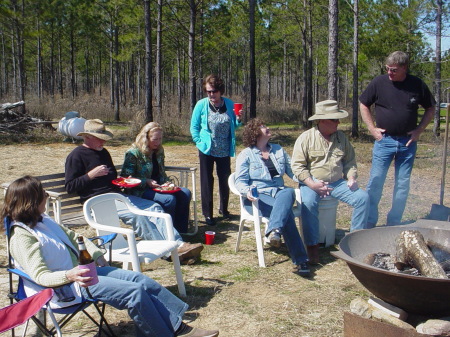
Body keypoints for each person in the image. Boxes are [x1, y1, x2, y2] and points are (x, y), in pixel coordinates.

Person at [1, 175, 219, 337]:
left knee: (138, 279)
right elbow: (40, 277)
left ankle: (176, 325)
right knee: (134, 293)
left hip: (82, 273)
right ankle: (165, 332)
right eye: (44, 195)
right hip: (64, 288)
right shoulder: (21, 237)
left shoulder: (42, 219)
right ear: (31, 201)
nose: (46, 198)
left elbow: (75, 236)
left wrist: (95, 253)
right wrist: (70, 275)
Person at [65, 119, 202, 264]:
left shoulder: (103, 152)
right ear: (87, 137)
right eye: (100, 139)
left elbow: (113, 178)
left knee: (155, 208)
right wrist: (90, 175)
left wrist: (126, 181)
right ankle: (170, 253)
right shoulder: (76, 156)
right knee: (138, 217)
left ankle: (179, 245)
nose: (103, 142)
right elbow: (70, 187)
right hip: (97, 201)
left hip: (117, 196)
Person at [359, 51, 436, 228]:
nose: (389, 72)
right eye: (387, 68)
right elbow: (364, 103)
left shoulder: (416, 84)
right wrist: (372, 129)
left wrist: (419, 131)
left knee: (402, 184)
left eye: (393, 69)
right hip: (384, 141)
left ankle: (394, 222)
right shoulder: (379, 83)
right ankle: (369, 221)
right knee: (376, 181)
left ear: (404, 68)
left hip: (407, 143)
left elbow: (430, 108)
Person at [291, 100, 370, 264]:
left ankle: (354, 242)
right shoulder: (305, 138)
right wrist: (312, 184)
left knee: (363, 198)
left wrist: (351, 177)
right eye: (334, 119)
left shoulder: (341, 138)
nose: (338, 122)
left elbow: (350, 162)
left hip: (337, 183)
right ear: (322, 120)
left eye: (337, 119)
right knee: (308, 204)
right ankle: (312, 246)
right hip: (312, 183)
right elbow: (297, 166)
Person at [234, 118, 310, 277]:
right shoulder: (246, 155)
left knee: (288, 192)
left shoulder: (278, 150)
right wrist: (247, 191)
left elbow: (293, 173)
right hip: (258, 197)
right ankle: (301, 260)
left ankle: (274, 230)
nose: (267, 127)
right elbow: (239, 181)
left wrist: (310, 181)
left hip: (279, 193)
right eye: (263, 126)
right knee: (287, 213)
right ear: (255, 132)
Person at [120, 122, 192, 234]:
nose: (158, 142)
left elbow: (161, 172)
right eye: (155, 139)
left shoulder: (159, 151)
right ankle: (168, 232)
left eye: (160, 139)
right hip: (140, 190)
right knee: (169, 200)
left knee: (185, 193)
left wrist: (168, 183)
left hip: (158, 186)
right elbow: (125, 178)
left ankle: (181, 230)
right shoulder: (133, 153)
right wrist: (146, 181)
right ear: (146, 138)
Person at [190, 74, 241, 226]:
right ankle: (208, 214)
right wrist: (199, 142)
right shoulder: (201, 105)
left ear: (220, 91)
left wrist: (238, 120)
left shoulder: (230, 104)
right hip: (207, 148)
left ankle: (224, 210)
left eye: (214, 91)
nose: (211, 94)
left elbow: (233, 126)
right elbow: (194, 127)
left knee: (225, 179)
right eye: (208, 91)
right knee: (207, 181)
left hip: (224, 148)